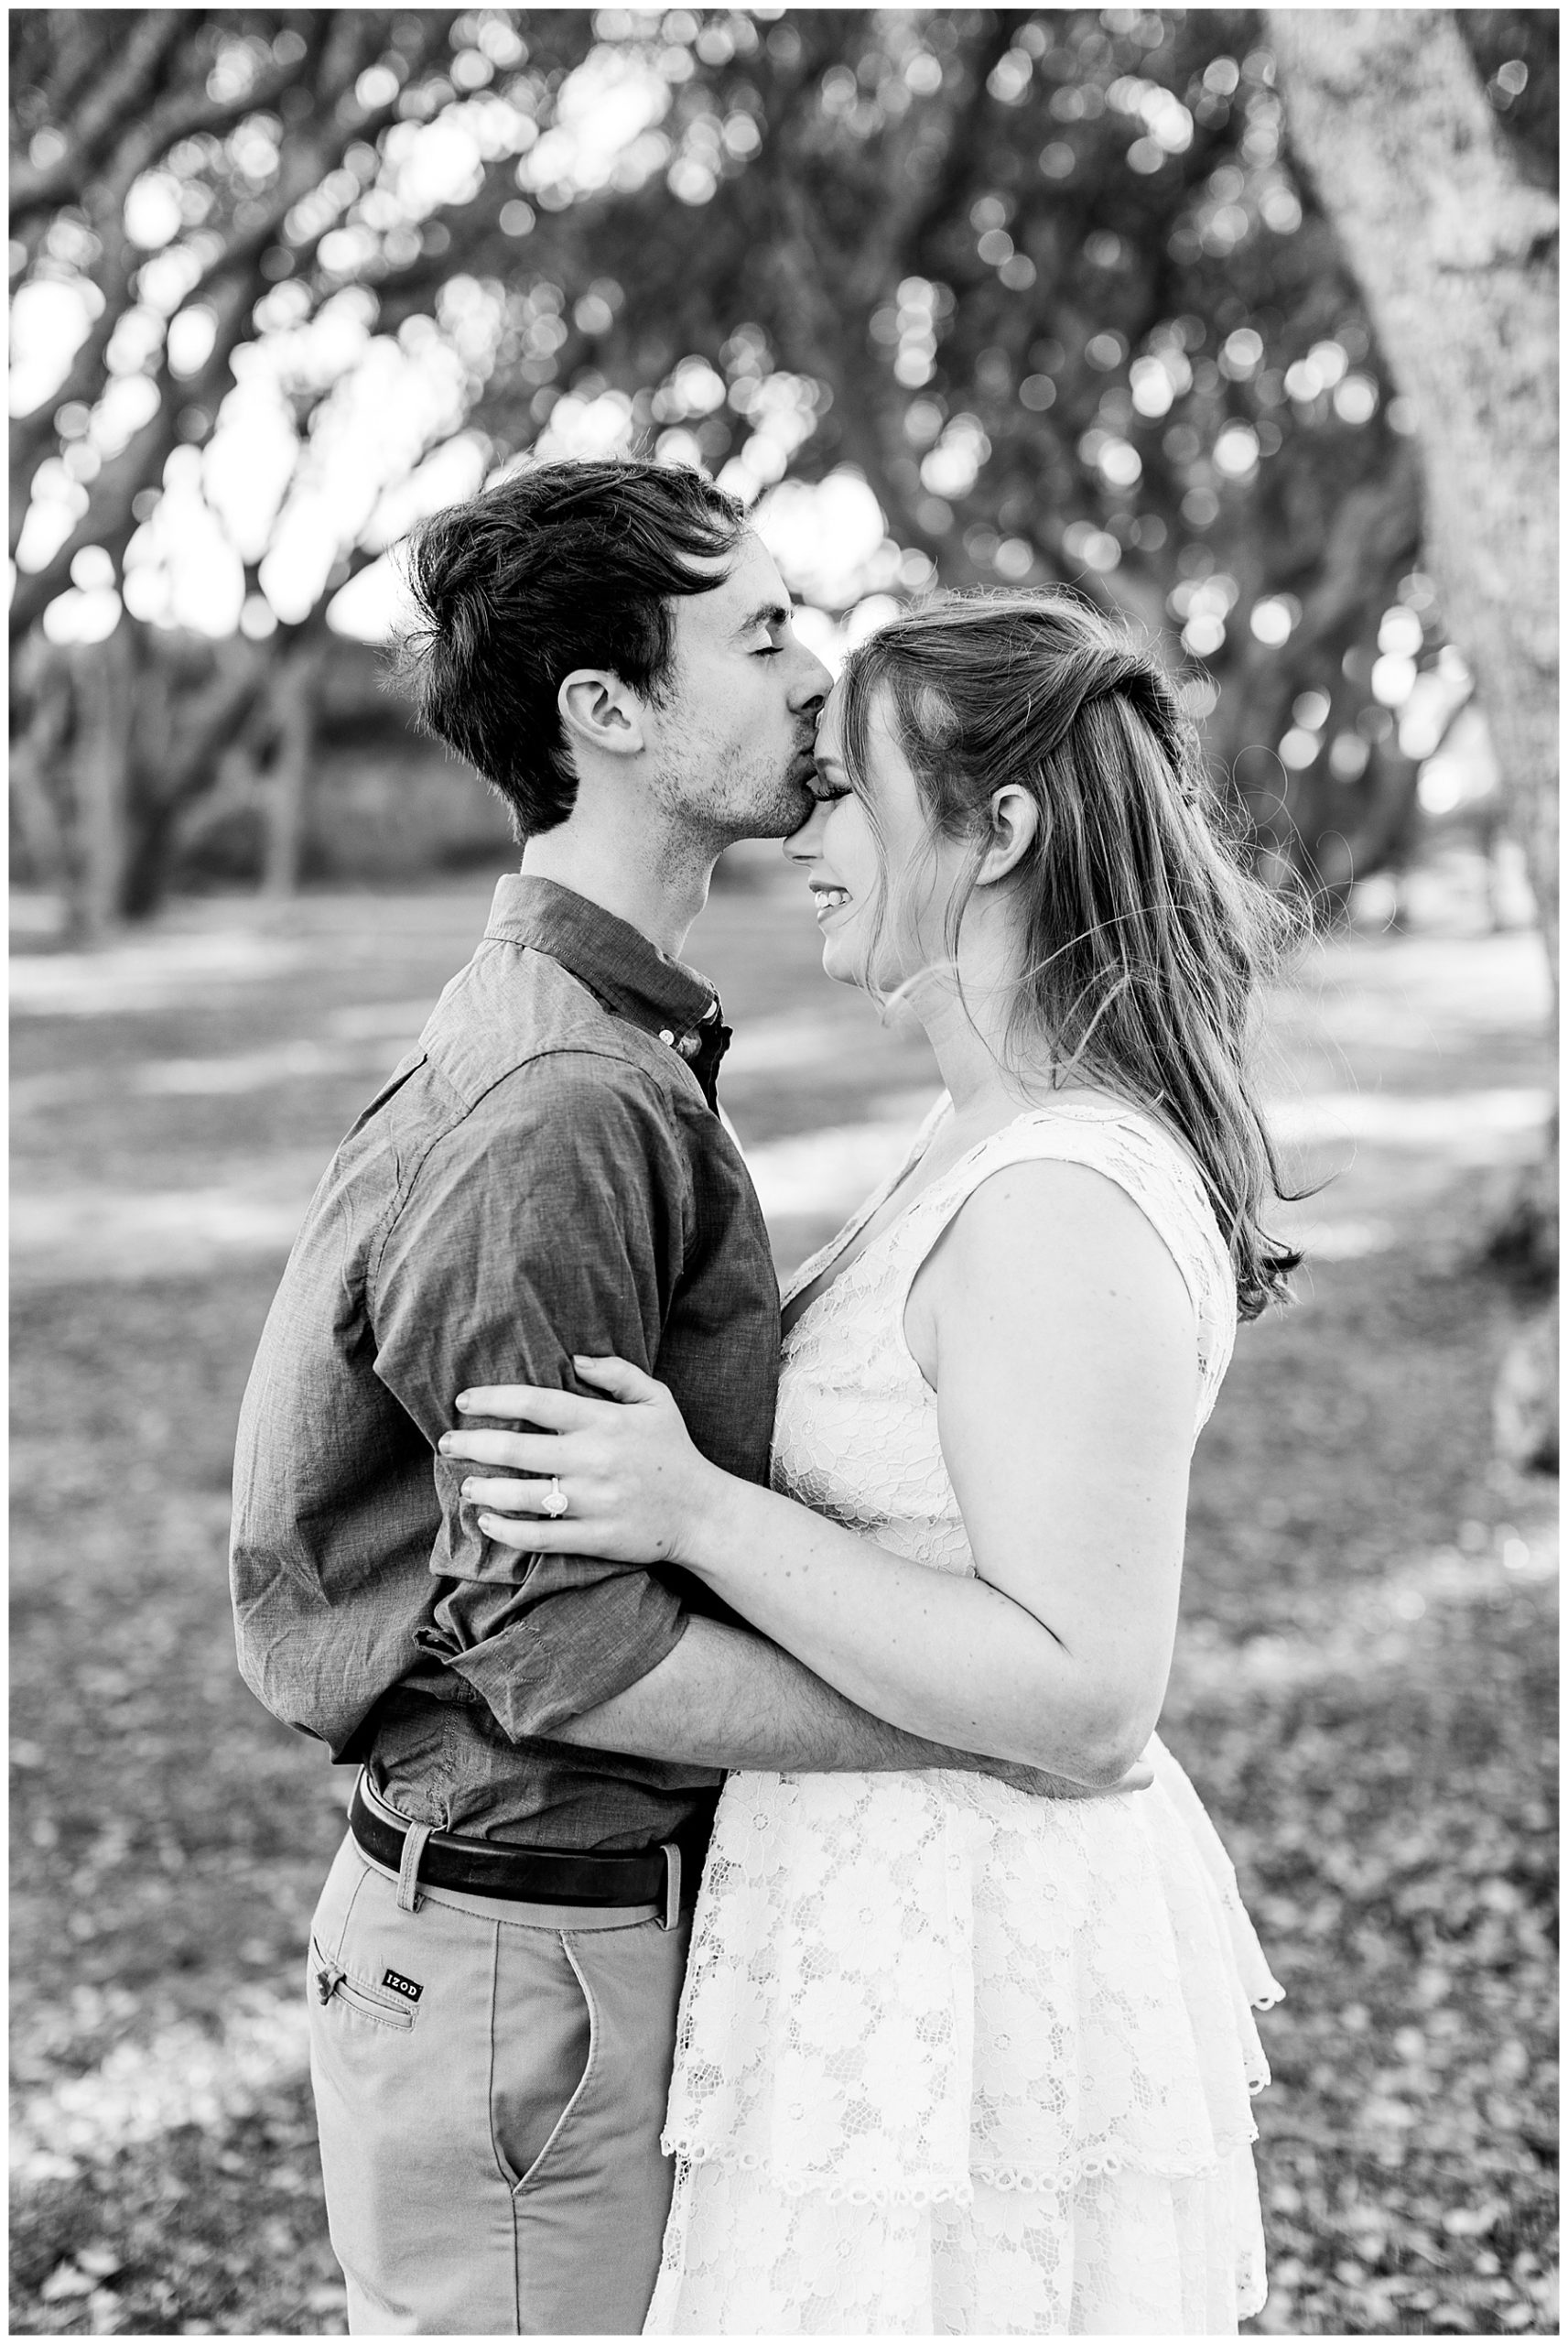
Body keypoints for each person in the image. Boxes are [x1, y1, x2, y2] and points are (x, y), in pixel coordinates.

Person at [229, 463, 1142, 2338]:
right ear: (608, 709)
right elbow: (554, 1648)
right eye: (762, 633)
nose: (818, 674)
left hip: (576, 1939)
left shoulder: (621, 1045)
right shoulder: (564, 1103)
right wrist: (987, 1728)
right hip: (527, 1960)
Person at [440, 591, 1291, 2334]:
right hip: (876, 1932)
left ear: (999, 830)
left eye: (843, 793)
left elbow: (1086, 1697)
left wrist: (694, 1511)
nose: (801, 835)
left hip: (979, 1970)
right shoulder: (976, 1133)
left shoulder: (1057, 1200)